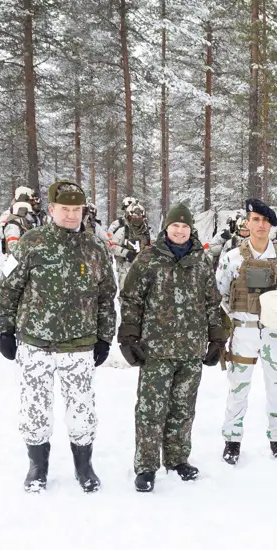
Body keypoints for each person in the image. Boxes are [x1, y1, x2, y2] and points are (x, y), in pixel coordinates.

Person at [0, 180, 116, 492]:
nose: (72, 215)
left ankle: (84, 466)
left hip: (79, 346)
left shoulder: (95, 248)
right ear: (51, 210)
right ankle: (37, 466)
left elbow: (106, 297)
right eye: (65, 209)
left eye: (77, 209)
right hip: (36, 344)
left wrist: (104, 338)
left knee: (82, 410)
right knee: (35, 409)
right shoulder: (31, 242)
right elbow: (9, 288)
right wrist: (4, 330)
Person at [118, 203, 226, 491]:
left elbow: (212, 302)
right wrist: (128, 336)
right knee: (151, 410)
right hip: (155, 350)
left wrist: (217, 337)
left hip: (191, 350)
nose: (180, 231)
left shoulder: (201, 261)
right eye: (175, 226)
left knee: (183, 408)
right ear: (166, 228)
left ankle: (178, 459)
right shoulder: (148, 259)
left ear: (191, 230)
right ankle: (146, 466)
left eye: (185, 227)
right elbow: (131, 299)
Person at [215, 198, 277, 464]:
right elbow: (220, 292)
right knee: (238, 387)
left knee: (276, 385)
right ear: (247, 223)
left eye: (266, 220)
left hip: (274, 333)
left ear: (272, 225)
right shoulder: (231, 257)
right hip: (244, 332)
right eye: (255, 220)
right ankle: (232, 439)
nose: (261, 225)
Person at [108, 202, 152, 287]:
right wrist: (126, 253)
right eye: (134, 216)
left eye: (139, 216)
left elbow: (155, 247)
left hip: (144, 270)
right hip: (126, 269)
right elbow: (112, 247)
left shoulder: (148, 232)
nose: (137, 218)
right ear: (129, 216)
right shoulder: (123, 231)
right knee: (126, 296)